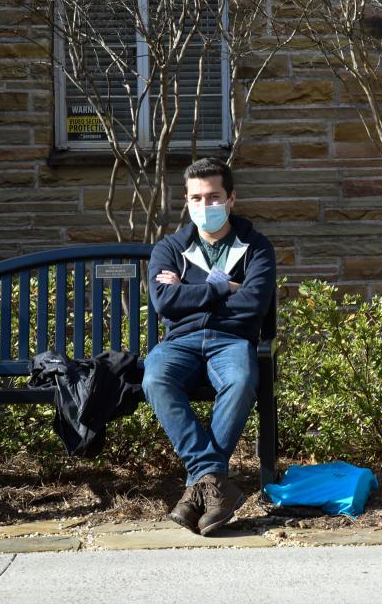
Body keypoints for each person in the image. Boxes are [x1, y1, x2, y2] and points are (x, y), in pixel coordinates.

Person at [143, 157, 276, 536]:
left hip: (231, 340)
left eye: (214, 197)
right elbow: (165, 303)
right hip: (180, 342)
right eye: (196, 198)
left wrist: (188, 292)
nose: (205, 206)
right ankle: (213, 482)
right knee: (155, 379)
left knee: (241, 380)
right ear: (186, 201)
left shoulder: (256, 247)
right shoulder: (169, 248)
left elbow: (251, 306)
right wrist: (221, 288)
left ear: (231, 199)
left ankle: (197, 489)